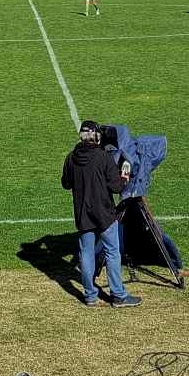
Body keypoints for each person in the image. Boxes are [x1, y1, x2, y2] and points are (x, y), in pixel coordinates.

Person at [61, 121, 140, 308]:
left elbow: (66, 183)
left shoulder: (71, 158)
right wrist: (124, 175)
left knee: (86, 253)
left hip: (82, 213)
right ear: (96, 137)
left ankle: (90, 296)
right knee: (112, 252)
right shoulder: (103, 157)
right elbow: (116, 187)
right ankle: (118, 295)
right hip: (104, 213)